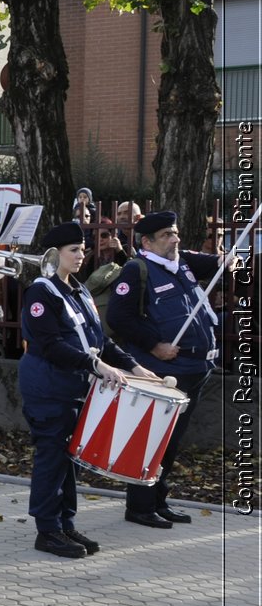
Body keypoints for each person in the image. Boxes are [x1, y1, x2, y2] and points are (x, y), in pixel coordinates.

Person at [20, 222, 159, 556]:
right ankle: (47, 530)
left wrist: (134, 366)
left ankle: (65, 524)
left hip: (77, 390)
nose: (82, 255)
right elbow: (50, 345)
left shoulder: (78, 289)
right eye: (74, 250)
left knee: (69, 460)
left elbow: (100, 340)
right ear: (55, 255)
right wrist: (96, 366)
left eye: (83, 249)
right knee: (52, 459)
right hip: (49, 390)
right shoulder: (41, 292)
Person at [107, 210, 231, 529]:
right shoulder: (138, 270)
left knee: (171, 441)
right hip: (163, 369)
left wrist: (229, 260)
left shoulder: (183, 261)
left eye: (174, 232)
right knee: (152, 438)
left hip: (195, 367)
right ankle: (140, 506)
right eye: (166, 235)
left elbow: (219, 264)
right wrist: (154, 346)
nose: (174, 238)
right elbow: (119, 319)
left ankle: (158, 499)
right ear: (147, 242)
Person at [84, 201, 143, 318]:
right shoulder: (91, 257)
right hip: (98, 305)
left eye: (104, 235)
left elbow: (132, 272)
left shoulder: (126, 248)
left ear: (113, 234)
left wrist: (120, 251)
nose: (100, 239)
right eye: (95, 237)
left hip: (123, 301)